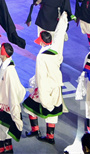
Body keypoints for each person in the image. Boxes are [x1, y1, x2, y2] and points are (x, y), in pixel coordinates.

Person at [22, 13, 69, 145]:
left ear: (42, 41)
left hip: (45, 87)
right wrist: (63, 19)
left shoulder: (41, 57)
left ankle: (35, 130)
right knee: (53, 113)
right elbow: (59, 34)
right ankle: (50, 137)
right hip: (56, 85)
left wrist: (43, 97)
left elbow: (41, 77)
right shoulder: (56, 49)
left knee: (28, 107)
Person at [0, 42, 26, 154]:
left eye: (0, 49)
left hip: (6, 103)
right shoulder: (4, 64)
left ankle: (0, 149)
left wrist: (13, 106)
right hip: (4, 101)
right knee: (5, 125)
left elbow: (13, 89)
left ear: (4, 53)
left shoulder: (9, 70)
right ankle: (8, 149)